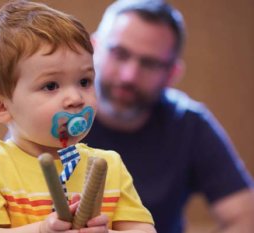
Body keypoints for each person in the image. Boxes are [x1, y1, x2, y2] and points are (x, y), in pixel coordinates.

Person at [0, 1, 157, 233]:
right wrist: (41, 229)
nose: (76, 98)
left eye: (84, 81)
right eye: (51, 85)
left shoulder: (110, 166)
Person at [83, 0, 254, 233]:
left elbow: (246, 218)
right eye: (120, 53)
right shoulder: (50, 114)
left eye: (150, 63)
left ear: (172, 74)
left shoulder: (189, 124)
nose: (129, 76)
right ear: (94, 48)